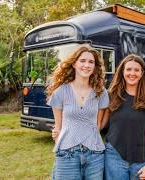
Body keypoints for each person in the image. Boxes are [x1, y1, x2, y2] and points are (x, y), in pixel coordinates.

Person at [47, 44, 109, 180]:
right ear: (74, 63)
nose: (87, 65)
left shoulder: (101, 92)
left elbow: (98, 124)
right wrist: (60, 141)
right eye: (83, 61)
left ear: (94, 67)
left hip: (95, 155)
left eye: (91, 62)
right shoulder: (60, 92)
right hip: (67, 155)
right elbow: (58, 127)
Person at [100, 54, 145, 180]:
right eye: (128, 69)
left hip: (143, 159)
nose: (132, 73)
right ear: (122, 71)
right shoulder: (111, 95)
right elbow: (99, 125)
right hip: (114, 156)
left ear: (142, 73)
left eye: (136, 70)